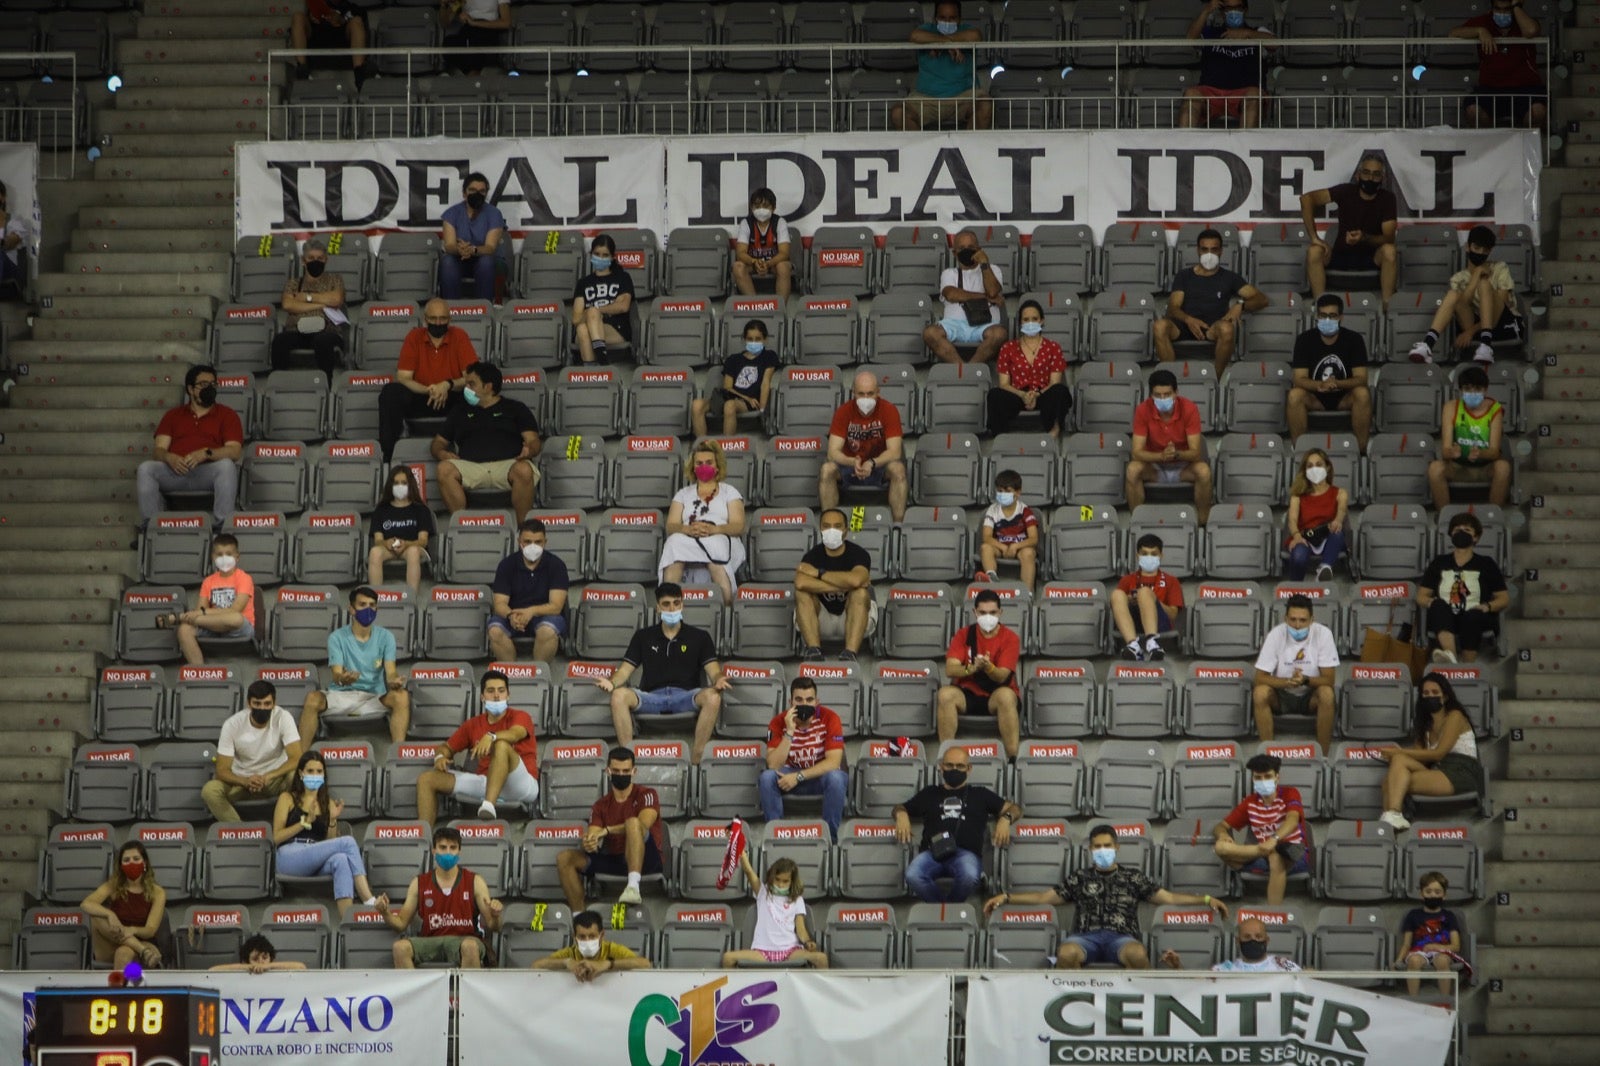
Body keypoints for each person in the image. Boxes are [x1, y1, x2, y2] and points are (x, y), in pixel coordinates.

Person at [985, 825, 1229, 969]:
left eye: (1107, 845)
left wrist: (1207, 900)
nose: (1103, 850)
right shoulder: (1080, 877)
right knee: (1066, 954)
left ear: (1117, 847)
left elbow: (1171, 899)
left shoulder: (1133, 877)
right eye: (1098, 846)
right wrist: (1006, 897)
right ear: (1090, 849)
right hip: (1085, 938)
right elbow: (1043, 898)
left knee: (1138, 954)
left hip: (1121, 939)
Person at [595, 583, 728, 763]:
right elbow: (625, 670)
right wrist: (611, 683)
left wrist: (719, 679)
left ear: (682, 605)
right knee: (618, 696)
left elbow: (714, 671)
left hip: (686, 696)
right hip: (651, 697)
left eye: (676, 603)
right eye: (666, 604)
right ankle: (627, 760)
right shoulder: (643, 636)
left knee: (713, 697)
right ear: (658, 607)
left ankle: (697, 759)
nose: (672, 609)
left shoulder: (700, 637)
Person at [893, 747, 1021, 903]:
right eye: (949, 765)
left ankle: (947, 909)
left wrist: (1006, 819)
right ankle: (946, 909)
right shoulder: (929, 793)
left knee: (969, 876)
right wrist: (901, 814)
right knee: (913, 875)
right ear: (941, 767)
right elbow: (900, 807)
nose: (954, 769)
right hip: (933, 853)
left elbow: (1015, 809)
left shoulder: (980, 794)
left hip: (966, 854)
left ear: (969, 768)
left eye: (960, 766)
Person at [414, 669, 540, 822]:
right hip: (487, 782)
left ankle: (488, 806)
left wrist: (491, 736)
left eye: (501, 691)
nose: (496, 695)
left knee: (501, 745)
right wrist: (440, 757)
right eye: (490, 691)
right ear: (482, 697)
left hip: (520, 784)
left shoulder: (520, 716)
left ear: (508, 695)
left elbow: (515, 734)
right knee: (426, 779)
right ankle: (424, 833)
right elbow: (447, 747)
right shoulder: (472, 724)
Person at [271, 750, 382, 919]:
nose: (315, 775)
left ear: (324, 775)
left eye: (319, 771)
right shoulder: (287, 798)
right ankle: (368, 899)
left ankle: (348, 921)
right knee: (348, 842)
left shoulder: (327, 802)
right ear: (301, 773)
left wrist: (332, 819)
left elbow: (329, 842)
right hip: (289, 856)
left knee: (341, 859)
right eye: (310, 771)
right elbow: (276, 838)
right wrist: (303, 823)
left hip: (315, 856)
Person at [136, 364, 243, 534]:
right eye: (203, 384)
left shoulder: (227, 415)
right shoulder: (173, 415)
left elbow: (234, 451)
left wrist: (207, 453)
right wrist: (170, 457)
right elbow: (158, 451)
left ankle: (223, 526)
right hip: (175, 472)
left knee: (227, 466)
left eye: (213, 384)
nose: (210, 388)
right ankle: (151, 527)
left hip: (207, 473)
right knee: (146, 468)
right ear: (190, 389)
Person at [377, 826, 503, 969]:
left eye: (453, 848)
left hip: (464, 939)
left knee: (470, 946)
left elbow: (494, 926)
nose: (448, 852)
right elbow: (400, 923)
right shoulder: (419, 883)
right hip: (430, 940)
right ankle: (416, 985)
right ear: (434, 851)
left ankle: (467, 985)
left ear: (459, 851)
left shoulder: (475, 881)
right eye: (443, 848)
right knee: (400, 948)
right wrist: (384, 912)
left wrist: (496, 915)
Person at [556, 747, 666, 908]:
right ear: (608, 771)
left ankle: (633, 887)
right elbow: (594, 834)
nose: (621, 774)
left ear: (634, 771)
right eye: (616, 771)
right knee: (565, 858)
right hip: (615, 859)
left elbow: (642, 824)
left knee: (633, 823)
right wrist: (590, 842)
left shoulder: (647, 794)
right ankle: (579, 916)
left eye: (626, 771)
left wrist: (608, 830)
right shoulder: (600, 805)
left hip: (646, 860)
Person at [299, 586, 410, 746]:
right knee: (312, 699)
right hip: (341, 696)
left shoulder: (386, 637)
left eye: (372, 605)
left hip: (373, 696)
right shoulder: (337, 638)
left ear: (377, 609)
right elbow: (336, 674)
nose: (368, 609)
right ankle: (301, 755)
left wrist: (394, 681)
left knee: (402, 696)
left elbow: (391, 671)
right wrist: (343, 679)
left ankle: (398, 752)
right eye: (362, 605)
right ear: (351, 609)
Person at [432, 360, 541, 517]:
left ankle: (524, 527)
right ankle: (463, 524)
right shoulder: (459, 411)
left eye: (471, 384)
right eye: (466, 384)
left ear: (488, 387)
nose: (466, 388)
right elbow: (438, 442)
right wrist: (441, 453)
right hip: (471, 466)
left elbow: (533, 441)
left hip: (508, 465)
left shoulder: (515, 408)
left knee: (524, 470)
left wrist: (529, 451)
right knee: (443, 469)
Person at [1378, 673, 1486, 831]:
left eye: (1435, 692)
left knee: (1392, 781)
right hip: (1437, 769)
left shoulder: (1455, 715)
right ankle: (1392, 818)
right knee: (1398, 764)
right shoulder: (1424, 725)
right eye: (1426, 693)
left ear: (1445, 696)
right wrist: (1395, 755)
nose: (1430, 696)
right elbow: (1420, 758)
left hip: (1460, 770)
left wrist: (1398, 752)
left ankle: (1391, 819)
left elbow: (1439, 753)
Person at [1407, 226, 1527, 366]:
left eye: (1485, 250)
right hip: (1478, 326)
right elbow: (1463, 303)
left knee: (1484, 284)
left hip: (1505, 325)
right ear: (1467, 247)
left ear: (1490, 251)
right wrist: (1476, 275)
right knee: (1453, 294)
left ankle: (1486, 346)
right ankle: (1427, 345)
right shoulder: (1458, 278)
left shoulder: (1500, 268)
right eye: (1477, 248)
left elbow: (1500, 307)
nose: (1480, 253)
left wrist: (1470, 332)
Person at [1152, 228, 1268, 372]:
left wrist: (1240, 305)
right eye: (1204, 249)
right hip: (1183, 326)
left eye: (1214, 249)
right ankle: (1170, 378)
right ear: (1198, 250)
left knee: (1227, 329)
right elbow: (1173, 308)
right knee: (1159, 326)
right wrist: (1189, 320)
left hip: (1212, 327)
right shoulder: (1184, 276)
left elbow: (1261, 299)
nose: (1209, 254)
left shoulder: (1229, 277)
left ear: (1221, 251)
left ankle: (1215, 379)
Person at [378, 299, 474, 464]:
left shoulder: (460, 336)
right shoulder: (414, 337)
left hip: (451, 397)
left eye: (443, 318)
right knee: (390, 393)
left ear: (450, 319)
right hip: (421, 396)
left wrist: (447, 385)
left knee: (473, 394)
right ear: (425, 319)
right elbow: (403, 377)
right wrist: (429, 390)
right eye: (433, 318)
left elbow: (472, 377)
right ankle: (388, 455)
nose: (438, 323)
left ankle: (471, 453)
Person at [1300, 155, 1399, 307]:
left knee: (1390, 251)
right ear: (1358, 175)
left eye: (1376, 174)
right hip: (1341, 254)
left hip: (1371, 257)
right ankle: (1321, 305)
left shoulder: (1388, 198)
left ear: (1382, 178)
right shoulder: (1346, 191)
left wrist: (1364, 238)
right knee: (1314, 251)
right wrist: (1314, 237)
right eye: (1366, 172)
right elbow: (1306, 199)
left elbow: (1389, 238)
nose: (1370, 178)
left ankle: (1388, 307)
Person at [1212, 753, 1310, 904]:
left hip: (1294, 853)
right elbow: (1221, 826)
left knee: (1275, 857)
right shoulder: (1250, 802)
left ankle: (1273, 913)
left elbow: (1292, 820)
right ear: (1253, 779)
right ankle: (1262, 852)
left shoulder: (1290, 793)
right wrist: (1223, 834)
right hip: (1262, 854)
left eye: (1268, 776)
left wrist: (1274, 839)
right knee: (1220, 847)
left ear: (1277, 777)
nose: (1263, 781)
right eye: (1258, 777)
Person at [658, 440, 748, 602]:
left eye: (708, 462)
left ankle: (726, 606)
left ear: (717, 465)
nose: (703, 466)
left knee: (715, 544)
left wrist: (713, 530)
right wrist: (688, 530)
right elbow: (671, 525)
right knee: (673, 542)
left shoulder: (730, 492)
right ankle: (669, 603)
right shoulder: (683, 494)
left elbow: (738, 526)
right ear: (693, 467)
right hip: (690, 536)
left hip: (721, 536)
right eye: (699, 463)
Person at [937, 590, 1022, 759]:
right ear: (975, 612)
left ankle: (1012, 758)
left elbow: (1002, 676)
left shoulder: (1010, 638)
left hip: (995, 696)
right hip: (968, 694)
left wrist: (989, 668)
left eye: (992, 612)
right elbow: (950, 669)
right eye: (982, 613)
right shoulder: (963, 635)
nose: (988, 617)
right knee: (945, 694)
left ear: (1000, 612)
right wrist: (971, 668)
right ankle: (947, 757)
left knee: (1006, 697)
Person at [761, 677, 849, 841]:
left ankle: (830, 840)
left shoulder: (830, 718)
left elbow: (833, 762)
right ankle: (775, 837)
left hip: (818, 777)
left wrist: (799, 776)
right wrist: (789, 732)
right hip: (787, 777)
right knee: (767, 777)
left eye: (809, 700)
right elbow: (773, 764)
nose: (804, 704)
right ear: (790, 702)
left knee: (837, 778)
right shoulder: (777, 722)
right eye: (799, 700)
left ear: (817, 702)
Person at [202, 680, 304, 821]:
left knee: (297, 776)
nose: (262, 708)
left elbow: (297, 758)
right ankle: (239, 831)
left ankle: (287, 826)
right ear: (248, 703)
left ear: (274, 703)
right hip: (241, 781)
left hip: (274, 780)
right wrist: (245, 781)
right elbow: (222, 770)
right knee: (210, 791)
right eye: (257, 703)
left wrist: (268, 776)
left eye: (267, 704)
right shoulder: (232, 724)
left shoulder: (283, 717)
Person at [1417, 512, 1509, 663]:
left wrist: (1487, 606)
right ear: (1451, 534)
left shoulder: (1486, 563)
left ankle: (1467, 666)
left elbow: (1503, 598)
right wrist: (1430, 602)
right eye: (1457, 530)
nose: (1461, 533)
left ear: (1476, 537)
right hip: (1445, 616)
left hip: (1475, 615)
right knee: (1438, 605)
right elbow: (1421, 596)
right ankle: (1451, 657)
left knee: (1472, 616)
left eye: (1467, 530)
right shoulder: (1439, 562)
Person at [1252, 593, 1339, 753]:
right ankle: (1268, 755)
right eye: (1293, 620)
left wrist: (1305, 680)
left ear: (1312, 620)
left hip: (1310, 695)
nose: (1297, 625)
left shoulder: (1323, 634)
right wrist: (1287, 682)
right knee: (1260, 693)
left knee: (1327, 694)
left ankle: (1323, 756)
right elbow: (1259, 678)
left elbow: (1329, 680)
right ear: (1285, 619)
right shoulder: (1276, 634)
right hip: (1282, 694)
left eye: (1303, 620)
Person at [1286, 293, 1372, 450]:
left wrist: (1336, 383)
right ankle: (1299, 451)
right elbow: (1299, 379)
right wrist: (1320, 385)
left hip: (1344, 397)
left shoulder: (1354, 339)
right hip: (1315, 397)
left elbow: (1361, 378)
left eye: (1332, 316)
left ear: (1341, 317)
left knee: (1363, 393)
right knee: (1294, 395)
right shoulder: (1304, 340)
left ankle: (1361, 451)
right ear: (1317, 317)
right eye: (1323, 315)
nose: (1327, 320)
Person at [821, 370, 909, 521]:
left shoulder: (889, 410)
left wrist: (872, 463)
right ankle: (830, 524)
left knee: (898, 469)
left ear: (878, 392)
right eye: (861, 394)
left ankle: (898, 526)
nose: (866, 399)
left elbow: (895, 452)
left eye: (870, 393)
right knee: (827, 470)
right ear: (853, 393)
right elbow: (832, 452)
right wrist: (852, 461)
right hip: (850, 467)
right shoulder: (843, 412)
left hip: (879, 467)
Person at [1126, 369, 1212, 523]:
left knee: (1204, 471)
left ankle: (1203, 522)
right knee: (1132, 470)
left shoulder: (1189, 408)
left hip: (1183, 466)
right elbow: (1136, 453)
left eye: (1167, 394)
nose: (1163, 398)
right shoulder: (1142, 410)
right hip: (1155, 467)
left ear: (1176, 392)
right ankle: (1137, 521)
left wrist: (1176, 454)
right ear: (1151, 395)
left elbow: (1195, 453)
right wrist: (1161, 456)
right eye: (1157, 395)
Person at [157, 533, 255, 666]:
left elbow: (235, 609)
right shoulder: (208, 581)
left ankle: (180, 617)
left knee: (235, 617)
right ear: (213, 557)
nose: (224, 558)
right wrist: (200, 613)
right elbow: (200, 609)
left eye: (228, 554)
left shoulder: (244, 578)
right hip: (213, 625)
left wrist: (200, 613)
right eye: (219, 554)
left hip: (238, 628)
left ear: (237, 557)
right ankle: (200, 671)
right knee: (184, 630)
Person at [891, 0, 991, 130]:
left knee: (985, 105)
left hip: (963, 98)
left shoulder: (966, 30)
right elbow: (915, 36)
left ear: (959, 20)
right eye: (942, 18)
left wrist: (943, 43)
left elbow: (976, 36)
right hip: (927, 99)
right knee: (898, 114)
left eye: (952, 18)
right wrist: (946, 43)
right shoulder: (927, 30)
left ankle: (969, 144)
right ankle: (923, 145)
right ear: (935, 19)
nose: (947, 22)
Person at [794, 507, 876, 661]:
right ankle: (814, 651)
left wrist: (819, 573)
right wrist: (844, 585)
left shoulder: (858, 553)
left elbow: (857, 580)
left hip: (853, 614)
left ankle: (850, 653)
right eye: (826, 526)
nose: (831, 530)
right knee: (802, 594)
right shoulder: (813, 555)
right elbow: (800, 582)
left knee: (860, 593)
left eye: (837, 526)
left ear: (846, 530)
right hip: (822, 616)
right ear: (820, 529)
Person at [1180, 0, 1276, 130]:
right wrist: (1206, 11)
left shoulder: (1257, 32)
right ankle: (1184, 142)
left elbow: (1276, 44)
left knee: (1254, 95)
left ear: (1245, 10)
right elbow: (1190, 39)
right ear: (1222, 12)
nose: (1233, 12)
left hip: (1244, 93)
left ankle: (1246, 142)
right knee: (1191, 94)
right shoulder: (1211, 32)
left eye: (1238, 8)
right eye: (1228, 9)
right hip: (1211, 92)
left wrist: (1247, 34)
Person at [721, 853, 828, 969]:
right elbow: (748, 871)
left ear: (792, 881)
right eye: (777, 879)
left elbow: (801, 929)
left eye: (785, 881)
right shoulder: (762, 892)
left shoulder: (797, 899)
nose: (780, 884)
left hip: (790, 950)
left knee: (821, 959)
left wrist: (808, 941)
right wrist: (741, 853)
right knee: (728, 958)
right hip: (762, 951)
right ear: (772, 877)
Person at [1452, 0, 1546, 129]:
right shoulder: (1484, 21)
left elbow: (1531, 30)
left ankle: (1525, 141)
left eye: (1506, 9)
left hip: (1526, 88)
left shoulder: (1523, 20)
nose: (1502, 13)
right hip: (1490, 88)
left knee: (1538, 112)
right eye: (1498, 9)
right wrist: (1480, 31)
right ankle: (1493, 139)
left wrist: (1516, 6)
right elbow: (1453, 32)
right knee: (1473, 111)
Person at [487, 519, 570, 665]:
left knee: (548, 630)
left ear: (545, 542)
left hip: (545, 616)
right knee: (494, 630)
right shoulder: (506, 565)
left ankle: (538, 673)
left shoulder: (557, 565)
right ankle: (511, 673)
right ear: (519, 541)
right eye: (527, 541)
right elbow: (499, 603)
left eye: (538, 542)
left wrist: (531, 612)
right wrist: (511, 615)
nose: (533, 546)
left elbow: (556, 606)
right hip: (514, 615)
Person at [1427, 366, 1511, 509]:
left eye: (1477, 389)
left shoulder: (1495, 409)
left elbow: (1495, 451)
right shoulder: (1451, 408)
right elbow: (1445, 451)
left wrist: (1480, 453)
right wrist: (1452, 452)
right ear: (1461, 391)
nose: (1472, 393)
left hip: (1485, 468)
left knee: (1503, 467)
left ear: (1485, 390)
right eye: (1467, 389)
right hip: (1458, 467)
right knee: (1435, 468)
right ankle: (1444, 515)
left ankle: (1494, 515)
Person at [923, 229, 1008, 366]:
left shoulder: (993, 269)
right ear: (954, 253)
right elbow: (951, 294)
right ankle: (961, 368)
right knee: (930, 333)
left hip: (985, 325)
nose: (966, 251)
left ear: (978, 249)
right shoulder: (949, 273)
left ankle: (970, 370)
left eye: (971, 247)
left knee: (999, 334)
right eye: (961, 248)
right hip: (954, 325)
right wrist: (985, 297)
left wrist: (984, 263)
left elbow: (992, 292)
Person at [986, 300, 1070, 436]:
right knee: (995, 395)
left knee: (1060, 391)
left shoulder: (1053, 347)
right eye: (1026, 319)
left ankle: (1054, 429)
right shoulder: (1008, 348)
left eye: (1034, 319)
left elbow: (1054, 382)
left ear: (1042, 321)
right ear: (1020, 322)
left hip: (1043, 394)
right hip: (1017, 394)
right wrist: (1023, 395)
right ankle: (1000, 435)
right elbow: (1004, 384)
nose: (1030, 323)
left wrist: (1037, 394)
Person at [80, 841, 166, 969]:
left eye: (136, 859)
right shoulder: (113, 886)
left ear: (145, 862)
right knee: (96, 916)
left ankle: (141, 951)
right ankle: (143, 951)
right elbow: (86, 903)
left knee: (123, 952)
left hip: (144, 942)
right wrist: (110, 914)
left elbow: (150, 930)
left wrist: (132, 930)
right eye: (126, 860)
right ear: (120, 866)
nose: (131, 863)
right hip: (112, 944)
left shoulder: (157, 892)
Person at [692, 319, 780, 437]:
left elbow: (765, 382)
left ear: (765, 339)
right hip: (731, 397)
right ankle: (703, 445)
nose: (754, 342)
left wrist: (762, 409)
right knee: (696, 405)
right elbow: (727, 387)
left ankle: (728, 446)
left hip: (749, 403)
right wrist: (746, 397)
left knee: (730, 405)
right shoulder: (733, 359)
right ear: (744, 339)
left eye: (758, 339)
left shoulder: (769, 356)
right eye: (750, 339)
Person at [271, 240, 346, 376]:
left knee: (322, 341)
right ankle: (279, 380)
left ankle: (326, 382)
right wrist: (322, 304)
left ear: (326, 260)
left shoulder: (335, 280)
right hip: (298, 331)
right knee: (280, 341)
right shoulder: (293, 283)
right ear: (303, 260)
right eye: (311, 258)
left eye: (320, 258)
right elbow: (288, 305)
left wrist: (306, 297)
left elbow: (336, 300)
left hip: (328, 331)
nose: (315, 261)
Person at [1112, 533, 1183, 662]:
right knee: (1117, 594)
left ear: (1161, 556)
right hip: (1133, 623)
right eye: (1144, 553)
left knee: (1144, 592)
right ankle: (1133, 645)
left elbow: (1173, 614)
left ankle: (1152, 643)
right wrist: (1130, 600)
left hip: (1160, 623)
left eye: (1154, 554)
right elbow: (1117, 604)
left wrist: (1153, 600)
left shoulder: (1171, 581)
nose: (1149, 557)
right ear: (1137, 555)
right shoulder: (1127, 580)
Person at [368, 465, 436, 597]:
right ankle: (375, 599)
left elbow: (423, 541)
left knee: (413, 552)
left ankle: (411, 598)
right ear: (391, 485)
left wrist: (406, 544)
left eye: (404, 483)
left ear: (410, 485)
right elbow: (378, 540)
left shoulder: (421, 510)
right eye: (396, 483)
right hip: (389, 548)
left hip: (413, 547)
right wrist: (387, 543)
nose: (400, 486)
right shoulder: (381, 510)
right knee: (375, 552)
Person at [1395, 871, 1467, 994]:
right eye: (1428, 892)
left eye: (1437, 892)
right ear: (1421, 894)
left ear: (1444, 895)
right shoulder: (1413, 915)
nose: (1433, 895)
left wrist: (1436, 947)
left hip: (1443, 952)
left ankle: (1445, 1001)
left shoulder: (1449, 916)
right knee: (1414, 961)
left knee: (1442, 961)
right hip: (1418, 952)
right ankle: (1413, 1001)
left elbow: (1456, 946)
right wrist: (1398, 960)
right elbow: (1406, 944)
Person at [1284, 449, 1349, 582]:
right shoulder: (1297, 496)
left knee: (1337, 533)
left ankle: (1324, 569)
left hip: (1328, 537)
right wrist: (1297, 537)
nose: (1315, 469)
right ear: (1305, 471)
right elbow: (1292, 520)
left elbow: (1342, 510)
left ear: (1327, 467)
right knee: (1299, 556)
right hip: (1305, 538)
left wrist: (1337, 520)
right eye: (1310, 466)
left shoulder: (1340, 493)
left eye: (1319, 465)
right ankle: (1296, 588)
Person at [531, 909, 653, 978]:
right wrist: (566, 962)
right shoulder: (570, 953)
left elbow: (645, 964)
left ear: (602, 935)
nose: (587, 940)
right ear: (574, 938)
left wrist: (608, 964)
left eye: (592, 936)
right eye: (582, 937)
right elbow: (536, 965)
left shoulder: (611, 949)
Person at [439, 172, 505, 299]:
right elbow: (449, 245)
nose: (477, 194)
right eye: (472, 190)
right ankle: (451, 306)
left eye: (482, 191)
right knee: (448, 262)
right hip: (460, 259)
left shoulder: (494, 214)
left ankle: (484, 307)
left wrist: (472, 250)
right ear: (464, 193)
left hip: (486, 260)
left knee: (486, 262)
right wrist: (459, 249)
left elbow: (490, 247)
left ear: (486, 194)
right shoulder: (451, 213)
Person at [572, 234, 634, 365]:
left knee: (592, 313)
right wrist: (593, 315)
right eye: (597, 254)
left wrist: (596, 311)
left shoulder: (623, 277)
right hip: (586, 329)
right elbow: (576, 319)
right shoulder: (583, 283)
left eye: (605, 255)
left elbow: (623, 306)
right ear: (591, 254)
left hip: (615, 329)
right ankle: (600, 363)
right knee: (582, 329)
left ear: (612, 257)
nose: (600, 258)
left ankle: (596, 366)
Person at [1161, 916, 1301, 972]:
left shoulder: (1282, 964)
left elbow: (1305, 982)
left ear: (1267, 940)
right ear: (1238, 941)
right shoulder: (1225, 969)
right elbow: (1197, 990)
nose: (1253, 940)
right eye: (1247, 937)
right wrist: (1178, 968)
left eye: (1258, 937)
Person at [977, 469, 1040, 587]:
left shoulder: (1025, 511)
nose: (1003, 494)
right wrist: (1003, 547)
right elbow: (986, 537)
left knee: (1029, 553)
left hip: (1020, 547)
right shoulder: (992, 510)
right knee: (985, 548)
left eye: (1008, 491)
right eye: (1000, 491)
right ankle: (991, 578)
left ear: (1018, 492)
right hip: (1000, 547)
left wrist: (1015, 546)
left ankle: (1027, 592)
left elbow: (1033, 538)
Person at [731, 189, 793, 298]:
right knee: (737, 267)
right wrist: (754, 262)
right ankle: (755, 304)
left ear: (773, 208)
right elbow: (740, 253)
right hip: (753, 263)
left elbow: (784, 253)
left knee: (783, 267)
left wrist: (768, 264)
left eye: (765, 206)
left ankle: (781, 306)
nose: (761, 210)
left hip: (774, 263)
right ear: (751, 208)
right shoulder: (746, 223)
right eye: (757, 206)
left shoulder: (780, 222)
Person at [289, 0, 368, 82]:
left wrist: (342, 19)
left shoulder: (352, 8)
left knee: (357, 21)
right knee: (298, 16)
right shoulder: (318, 5)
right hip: (317, 36)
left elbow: (361, 20)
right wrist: (312, 17)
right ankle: (302, 69)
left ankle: (359, 72)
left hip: (342, 38)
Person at [439, 0, 510, 77]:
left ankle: (472, 77)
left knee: (474, 42)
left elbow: (506, 23)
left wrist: (474, 23)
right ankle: (472, 76)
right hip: (467, 31)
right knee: (449, 43)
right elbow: (445, 23)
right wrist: (443, 5)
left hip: (488, 30)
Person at [210, 933, 308, 973]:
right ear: (246, 961)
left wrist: (268, 966)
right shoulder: (244, 970)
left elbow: (302, 967)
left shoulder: (276, 971)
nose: (261, 962)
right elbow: (212, 971)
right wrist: (248, 967)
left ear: (271, 958)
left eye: (265, 958)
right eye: (255, 959)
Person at [0, 181, 31, 298]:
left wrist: (1, 226)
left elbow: (12, 241)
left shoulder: (13, 221)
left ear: (3, 198)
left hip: (10, 279)